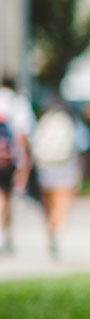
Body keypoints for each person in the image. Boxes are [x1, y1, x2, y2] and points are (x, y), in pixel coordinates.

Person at [30, 95, 86, 258]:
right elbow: (82, 144)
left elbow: (34, 144)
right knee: (61, 204)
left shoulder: (44, 121)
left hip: (46, 167)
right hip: (66, 167)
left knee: (49, 203)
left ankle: (51, 228)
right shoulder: (72, 122)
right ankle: (55, 230)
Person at [0, 76, 35, 255]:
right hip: (9, 159)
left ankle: (5, 234)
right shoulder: (18, 103)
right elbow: (23, 135)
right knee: (7, 198)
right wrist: (24, 162)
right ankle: (6, 234)